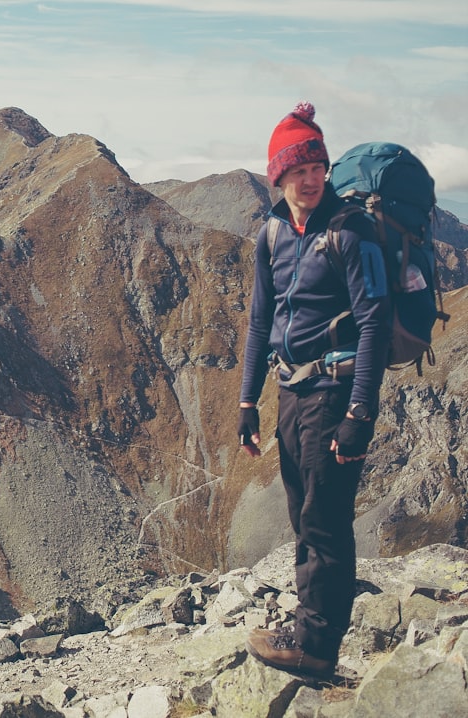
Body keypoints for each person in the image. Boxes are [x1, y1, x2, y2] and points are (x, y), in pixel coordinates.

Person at [237, 101, 392, 679]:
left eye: (318, 167)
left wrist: (360, 413)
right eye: (298, 169)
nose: (310, 178)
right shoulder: (273, 231)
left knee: (325, 519)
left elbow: (374, 321)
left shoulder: (351, 232)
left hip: (336, 391)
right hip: (290, 393)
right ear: (278, 174)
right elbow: (259, 321)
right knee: (304, 516)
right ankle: (310, 627)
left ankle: (317, 650)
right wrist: (248, 402)